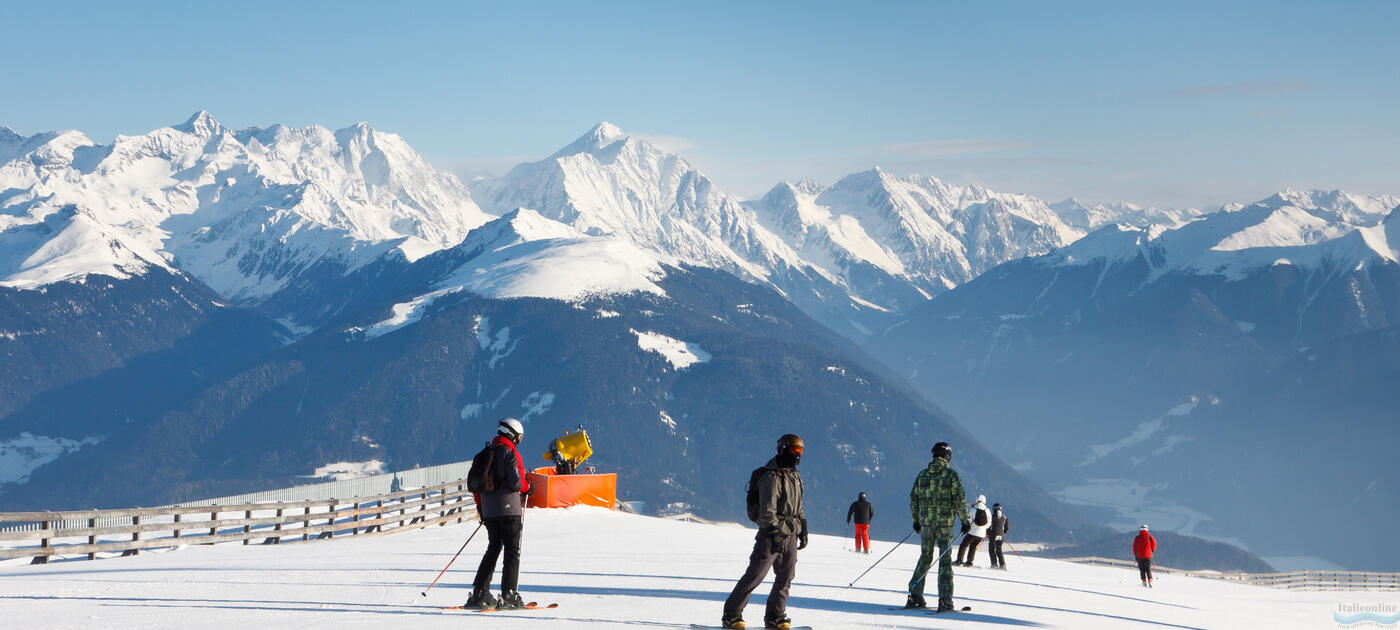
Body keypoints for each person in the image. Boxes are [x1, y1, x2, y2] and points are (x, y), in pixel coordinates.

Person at [722, 434, 807, 630]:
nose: (798, 455)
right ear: (784, 449)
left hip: (791, 533)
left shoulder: (795, 476)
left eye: (800, 451)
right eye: (795, 450)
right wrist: (774, 532)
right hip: (771, 534)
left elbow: (797, 506)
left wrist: (803, 526)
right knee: (756, 574)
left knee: (786, 576)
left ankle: (775, 615)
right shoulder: (771, 476)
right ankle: (732, 614)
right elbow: (767, 509)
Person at [465, 418, 531, 609]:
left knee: (493, 548)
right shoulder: (510, 453)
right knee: (512, 550)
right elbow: (517, 483)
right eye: (519, 437)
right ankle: (509, 594)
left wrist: (481, 509)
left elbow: (476, 487)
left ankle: (480, 593)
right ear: (513, 435)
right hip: (509, 510)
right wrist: (529, 487)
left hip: (489, 511)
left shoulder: (484, 454)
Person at [907, 441, 969, 612]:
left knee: (925, 557)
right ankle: (945, 599)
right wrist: (965, 521)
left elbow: (914, 499)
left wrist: (917, 520)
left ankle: (914, 594)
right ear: (948, 457)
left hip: (926, 525)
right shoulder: (951, 476)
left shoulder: (922, 475)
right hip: (945, 525)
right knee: (945, 560)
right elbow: (959, 500)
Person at [955, 495, 990, 566]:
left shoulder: (973, 510)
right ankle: (970, 562)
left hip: (972, 532)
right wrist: (982, 529)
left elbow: (968, 521)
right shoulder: (987, 511)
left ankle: (959, 560)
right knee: (973, 547)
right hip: (981, 534)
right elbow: (988, 524)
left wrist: (965, 528)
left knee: (963, 545)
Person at [987, 502, 1009, 569]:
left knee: (991, 549)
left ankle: (994, 564)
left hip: (993, 535)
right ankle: (1003, 565)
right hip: (1001, 536)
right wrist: (1003, 533)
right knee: (999, 550)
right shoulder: (1005, 517)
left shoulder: (991, 517)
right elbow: (1007, 528)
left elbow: (988, 526)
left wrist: (988, 533)